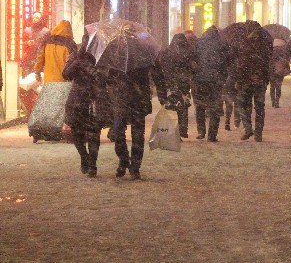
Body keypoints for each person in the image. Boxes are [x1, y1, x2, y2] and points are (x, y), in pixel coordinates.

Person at [107, 45, 168, 180]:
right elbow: (109, 75)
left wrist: (163, 96)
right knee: (119, 132)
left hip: (136, 99)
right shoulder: (117, 51)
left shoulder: (146, 51)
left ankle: (134, 167)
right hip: (124, 98)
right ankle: (124, 160)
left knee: (137, 134)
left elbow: (157, 74)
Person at [62, 34, 104, 177]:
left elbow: (106, 79)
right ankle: (84, 157)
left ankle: (92, 165)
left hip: (94, 100)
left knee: (93, 134)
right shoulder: (76, 56)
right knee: (76, 133)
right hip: (77, 100)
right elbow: (66, 74)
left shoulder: (102, 56)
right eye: (86, 41)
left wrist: (96, 72)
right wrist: (77, 62)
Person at [192, 26, 230, 142]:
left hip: (200, 79)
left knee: (200, 106)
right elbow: (227, 61)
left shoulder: (198, 43)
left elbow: (192, 59)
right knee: (215, 107)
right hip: (216, 80)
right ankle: (212, 135)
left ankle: (201, 131)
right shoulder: (223, 44)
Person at [237, 28, 273, 141]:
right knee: (259, 108)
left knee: (243, 105)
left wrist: (239, 80)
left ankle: (247, 128)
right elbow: (268, 67)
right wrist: (265, 80)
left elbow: (241, 67)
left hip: (247, 82)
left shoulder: (245, 48)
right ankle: (258, 133)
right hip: (260, 83)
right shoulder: (265, 50)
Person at [159, 34, 197, 138]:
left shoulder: (168, 51)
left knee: (172, 107)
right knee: (183, 106)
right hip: (184, 83)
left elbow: (163, 67)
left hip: (171, 83)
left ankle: (173, 131)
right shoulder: (189, 52)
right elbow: (193, 67)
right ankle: (183, 129)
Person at [269, 38, 291, 108]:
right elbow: (285, 62)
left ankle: (273, 101)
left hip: (272, 72)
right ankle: (277, 102)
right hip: (279, 72)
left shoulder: (270, 51)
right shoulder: (283, 52)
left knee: (272, 87)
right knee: (278, 87)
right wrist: (287, 69)